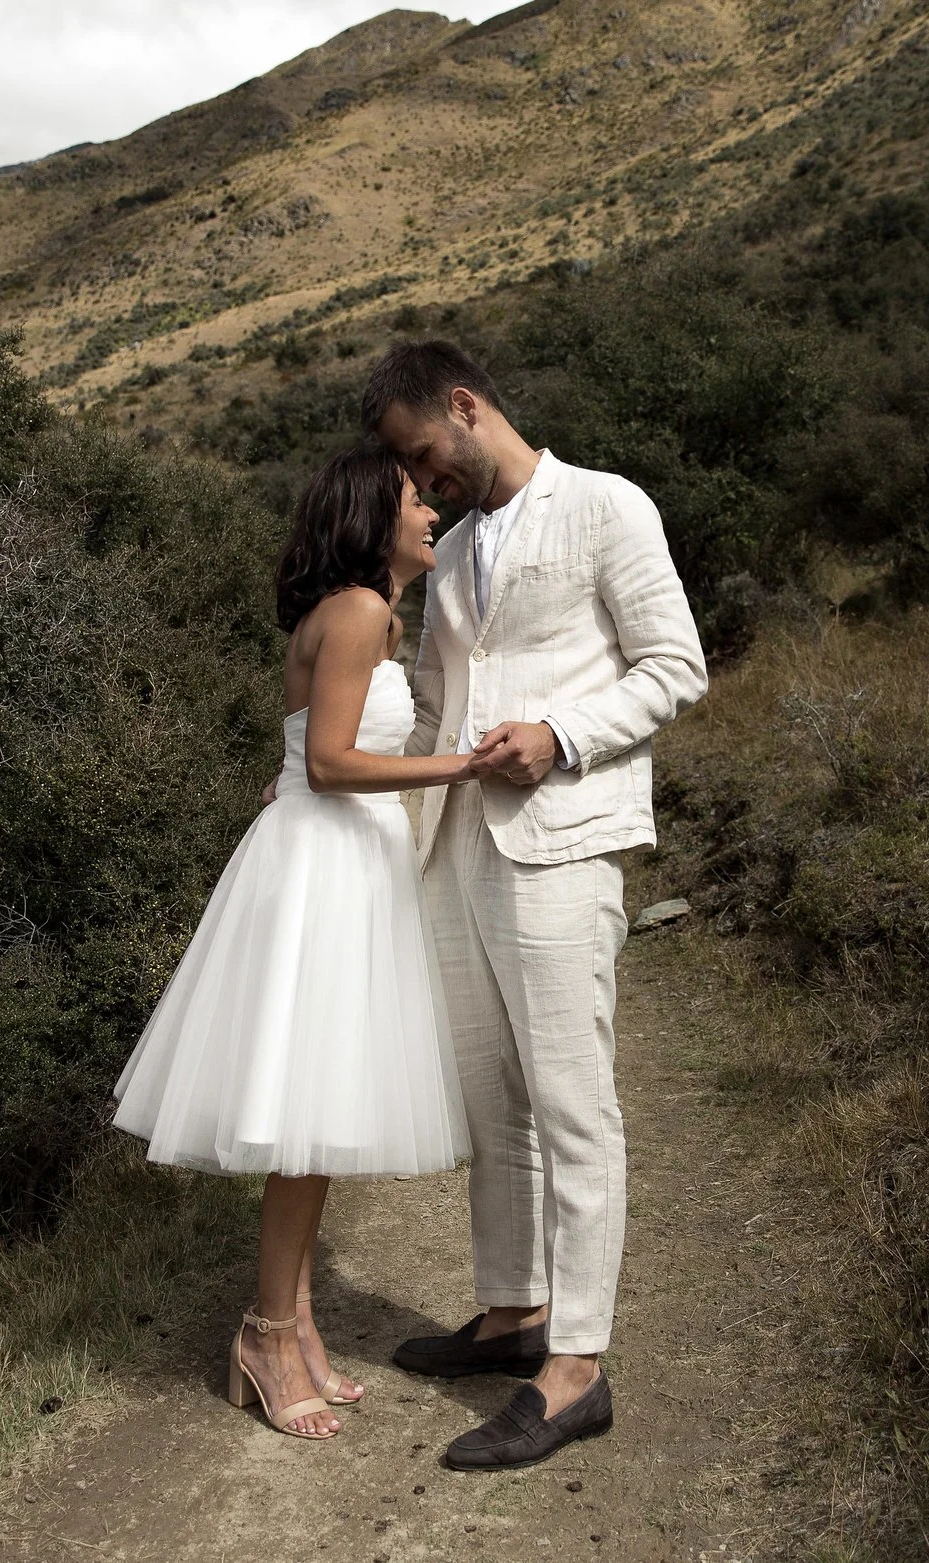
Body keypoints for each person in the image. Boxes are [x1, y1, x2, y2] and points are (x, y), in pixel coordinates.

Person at [366, 342, 709, 1470]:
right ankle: (513, 1312)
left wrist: (561, 736)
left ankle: (576, 1370)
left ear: (466, 407)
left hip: (564, 842)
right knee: (491, 1100)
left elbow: (673, 667)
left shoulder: (607, 506)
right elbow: (428, 705)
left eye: (425, 455)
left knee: (571, 1105)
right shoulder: (454, 551)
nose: (421, 487)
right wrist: (349, 794)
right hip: (458, 851)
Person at [109, 445, 485, 1441]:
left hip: (335, 859)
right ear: (371, 517)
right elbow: (325, 762)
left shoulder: (362, 614)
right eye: (415, 501)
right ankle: (269, 1333)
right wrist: (463, 768)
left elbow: (306, 753)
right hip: (326, 866)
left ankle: (296, 1325)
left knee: (314, 1123)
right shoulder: (361, 612)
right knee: (304, 1121)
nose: (430, 515)